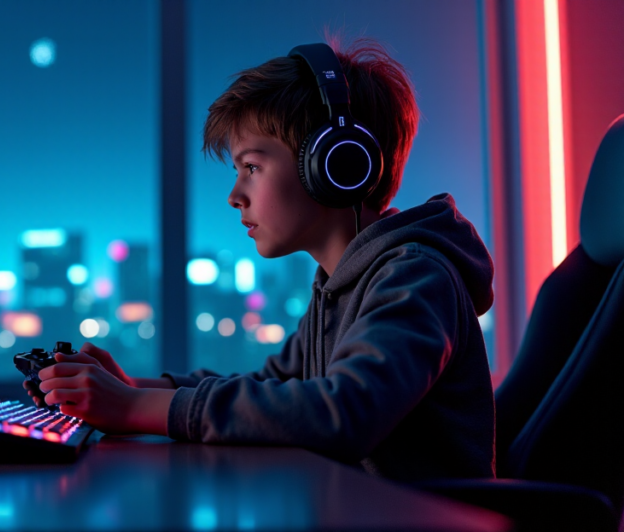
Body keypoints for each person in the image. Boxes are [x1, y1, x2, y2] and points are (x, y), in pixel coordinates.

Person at [28, 38, 496, 481]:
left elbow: (344, 412)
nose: (234, 197)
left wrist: (132, 408)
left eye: (252, 167)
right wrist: (136, 386)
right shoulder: (337, 287)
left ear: (337, 164)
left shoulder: (415, 276)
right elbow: (271, 386)